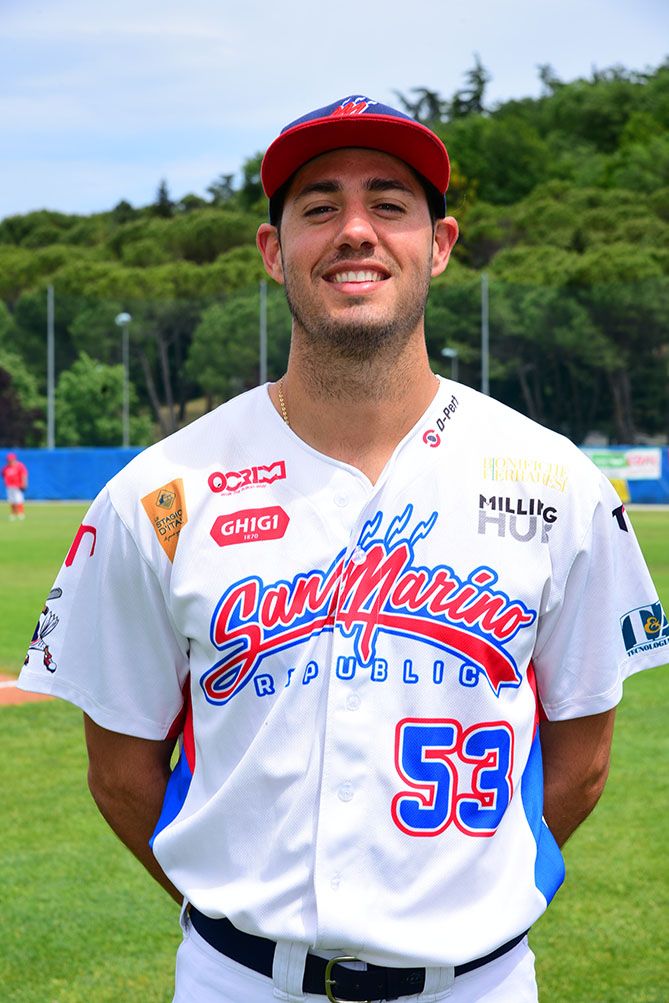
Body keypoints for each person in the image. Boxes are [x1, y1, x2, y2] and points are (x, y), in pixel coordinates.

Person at [19, 96, 668, 1003]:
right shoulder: (157, 494)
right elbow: (120, 771)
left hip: (477, 985)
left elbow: (584, 756)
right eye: (319, 207)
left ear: (438, 245)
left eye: (388, 205)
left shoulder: (558, 483)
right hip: (236, 984)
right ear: (272, 250)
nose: (355, 230)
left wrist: (459, 902)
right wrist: (241, 918)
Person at [2, 451, 28, 520]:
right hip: (9, 486)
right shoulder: (6, 467)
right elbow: (3, 475)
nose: (10, 461)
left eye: (11, 459)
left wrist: (24, 483)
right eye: (8, 460)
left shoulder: (20, 466)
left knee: (18, 499)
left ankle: (20, 513)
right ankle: (13, 513)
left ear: (14, 459)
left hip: (18, 486)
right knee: (11, 500)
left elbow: (24, 475)